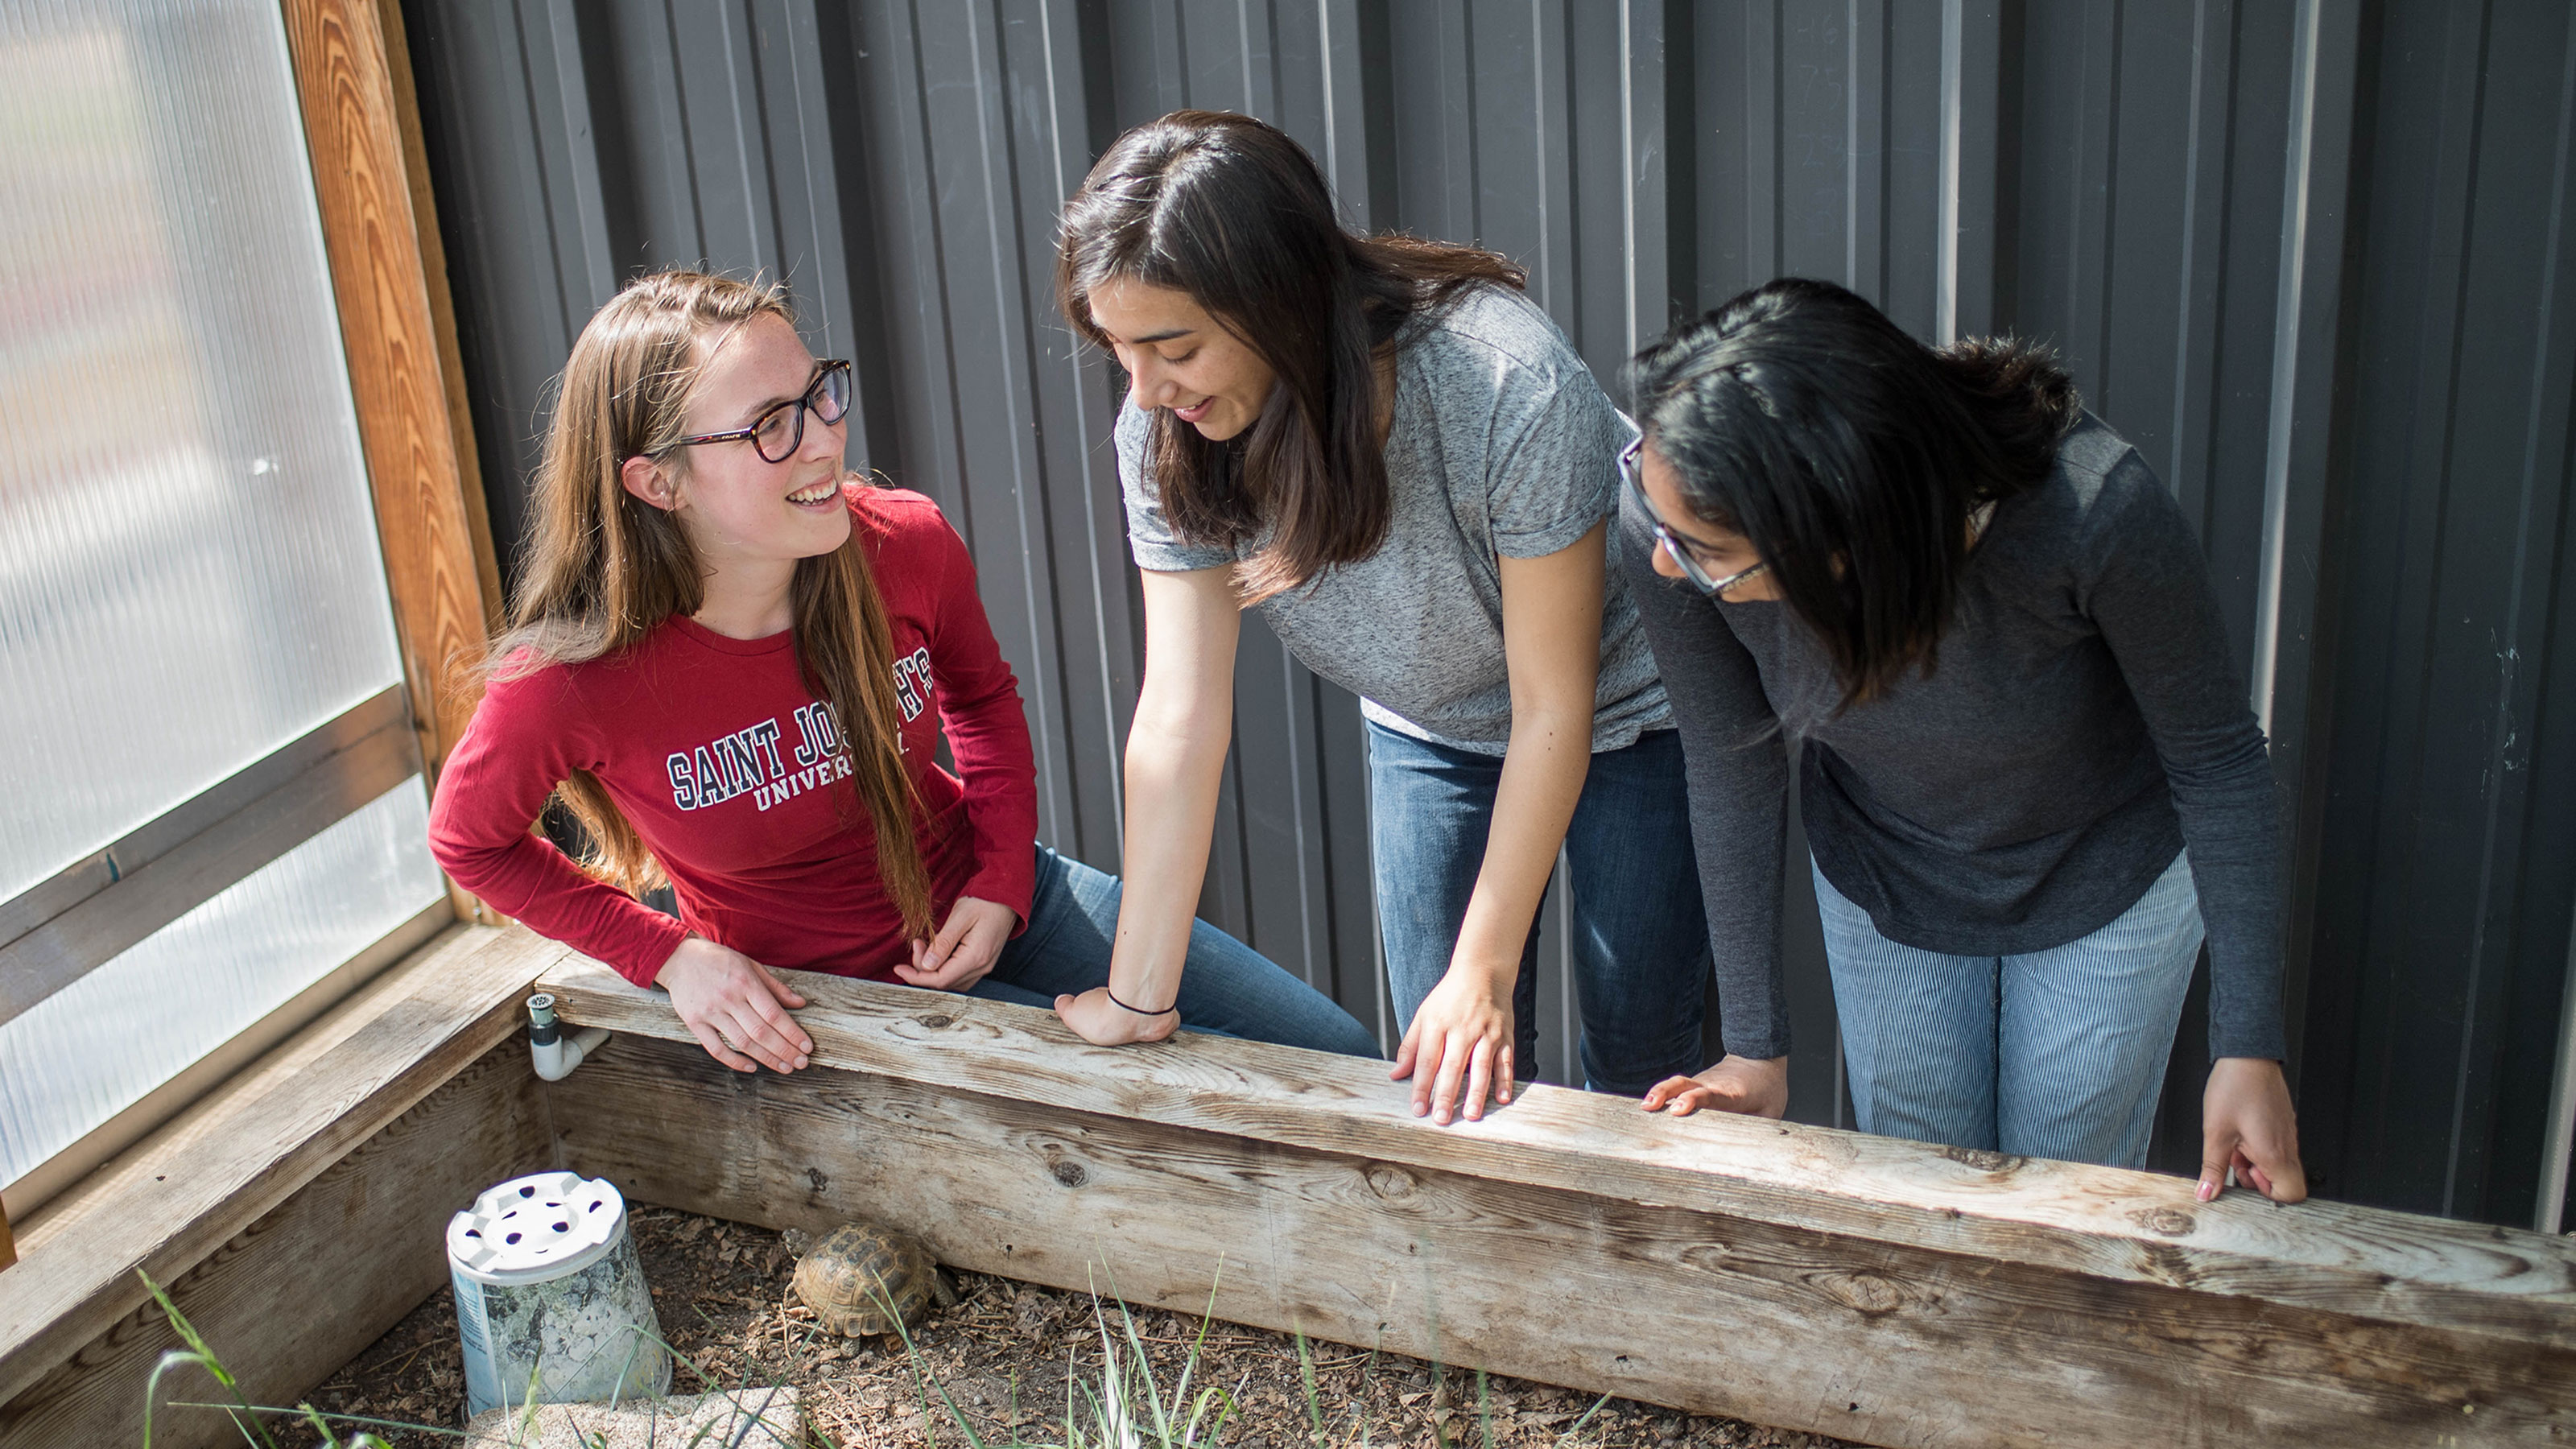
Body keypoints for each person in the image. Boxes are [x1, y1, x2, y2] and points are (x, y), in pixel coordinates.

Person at [427, 270, 1376, 1071]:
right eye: (769, 425)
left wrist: (1000, 880)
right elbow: (471, 843)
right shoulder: (569, 679)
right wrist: (668, 957)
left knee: (1334, 1058)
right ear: (656, 482)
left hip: (1002, 904)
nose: (823, 441)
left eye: (818, 394)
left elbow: (982, 698)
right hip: (812, 1010)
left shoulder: (901, 543)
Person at [1049, 109, 1707, 1125]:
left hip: (1625, 710)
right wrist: (1139, 993)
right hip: (1427, 723)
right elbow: (1177, 717)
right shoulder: (1165, 425)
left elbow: (1548, 705)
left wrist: (1483, 966)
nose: (1141, 389)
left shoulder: (1502, 382)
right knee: (1447, 1071)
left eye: (1171, 346)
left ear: (1277, 302)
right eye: (1117, 348)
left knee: (1639, 1062)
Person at [1621, 277, 2306, 1203]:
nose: (1665, 559)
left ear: (1844, 541)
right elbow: (1727, 759)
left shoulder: (2091, 509)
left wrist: (2246, 1047)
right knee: (1915, 1174)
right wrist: (1753, 1048)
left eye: (1699, 548)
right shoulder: (1666, 515)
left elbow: (2217, 760)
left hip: (2103, 868)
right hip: (1884, 863)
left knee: (2065, 1182)